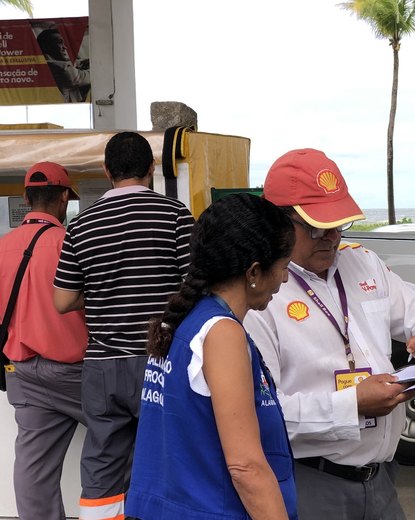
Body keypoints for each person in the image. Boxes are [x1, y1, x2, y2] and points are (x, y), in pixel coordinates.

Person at [243, 148, 415, 519]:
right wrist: (351, 404)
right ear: (276, 223)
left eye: (338, 224)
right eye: (315, 227)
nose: (330, 238)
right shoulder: (260, 294)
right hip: (311, 481)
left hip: (382, 480)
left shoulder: (362, 261)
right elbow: (263, 413)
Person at [126, 193, 298, 519]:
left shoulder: (184, 320)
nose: (285, 279)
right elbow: (245, 466)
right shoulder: (222, 333)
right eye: (283, 267)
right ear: (254, 272)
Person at [53, 132, 194, 519]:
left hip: (103, 365)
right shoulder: (176, 215)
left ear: (106, 171)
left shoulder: (81, 225)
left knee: (103, 464)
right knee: (168, 455)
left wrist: (100, 292)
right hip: (161, 358)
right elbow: (196, 287)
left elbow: (63, 300)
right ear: (151, 168)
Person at [0, 162, 88, 519]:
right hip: (75, 374)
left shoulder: (3, 246)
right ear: (65, 198)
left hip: (21, 372)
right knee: (125, 439)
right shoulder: (70, 244)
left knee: (34, 471)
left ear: (25, 197)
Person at [36, 28, 90, 103]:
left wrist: (85, 61)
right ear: (47, 46)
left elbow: (73, 63)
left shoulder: (48, 62)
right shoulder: (61, 68)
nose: (65, 47)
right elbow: (92, 77)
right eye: (60, 42)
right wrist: (92, 65)